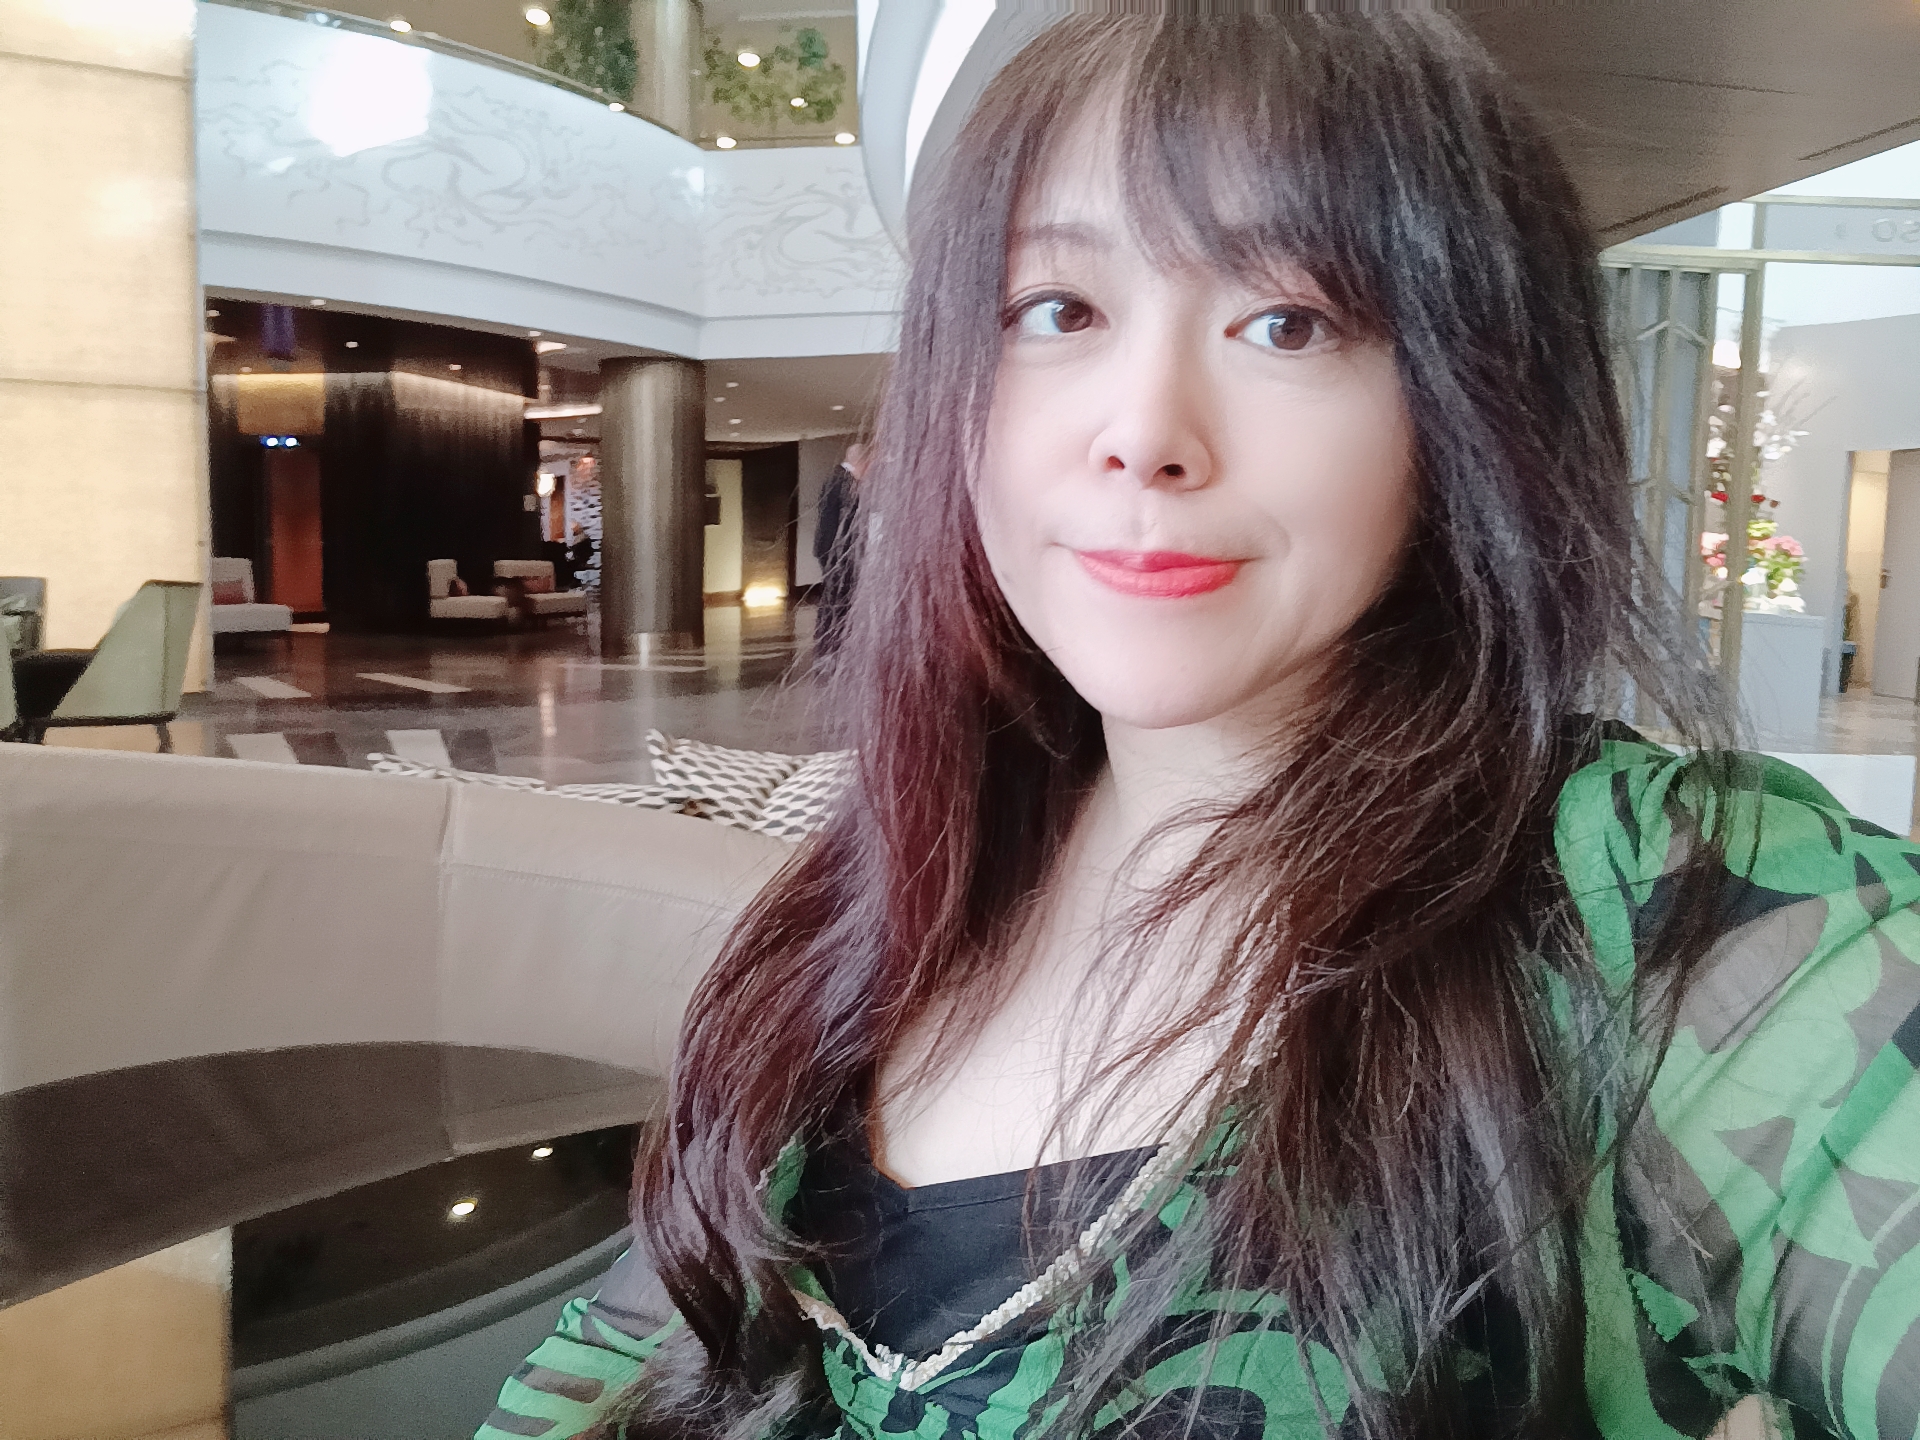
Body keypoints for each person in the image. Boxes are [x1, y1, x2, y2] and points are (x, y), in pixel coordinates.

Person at [482, 16, 1920, 1440]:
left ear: (1467, 397)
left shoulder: (1662, 912)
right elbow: (614, 1364)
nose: (1143, 431)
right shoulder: (899, 873)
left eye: (1287, 321)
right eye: (1058, 310)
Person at [812, 441, 868, 656]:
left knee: (834, 594)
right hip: (836, 550)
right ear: (860, 461)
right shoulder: (842, 481)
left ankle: (831, 639)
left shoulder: (836, 478)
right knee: (837, 595)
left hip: (831, 549)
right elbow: (842, 521)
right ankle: (834, 640)